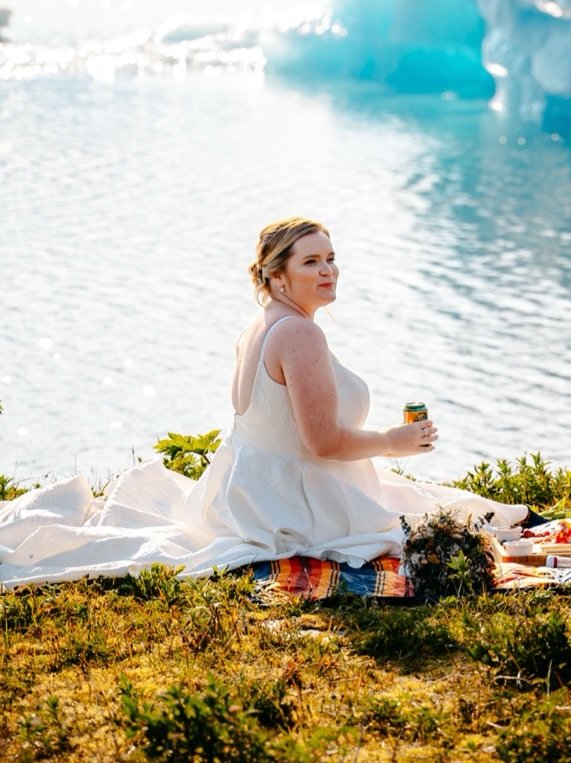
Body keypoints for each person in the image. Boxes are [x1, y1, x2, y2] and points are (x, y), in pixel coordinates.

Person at [0, 218, 525, 588]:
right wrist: (393, 442)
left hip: (245, 489)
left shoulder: (262, 324)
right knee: (455, 523)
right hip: (292, 503)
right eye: (312, 262)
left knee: (438, 505)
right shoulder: (299, 335)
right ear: (277, 275)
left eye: (332, 258)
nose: (329, 271)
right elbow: (321, 442)